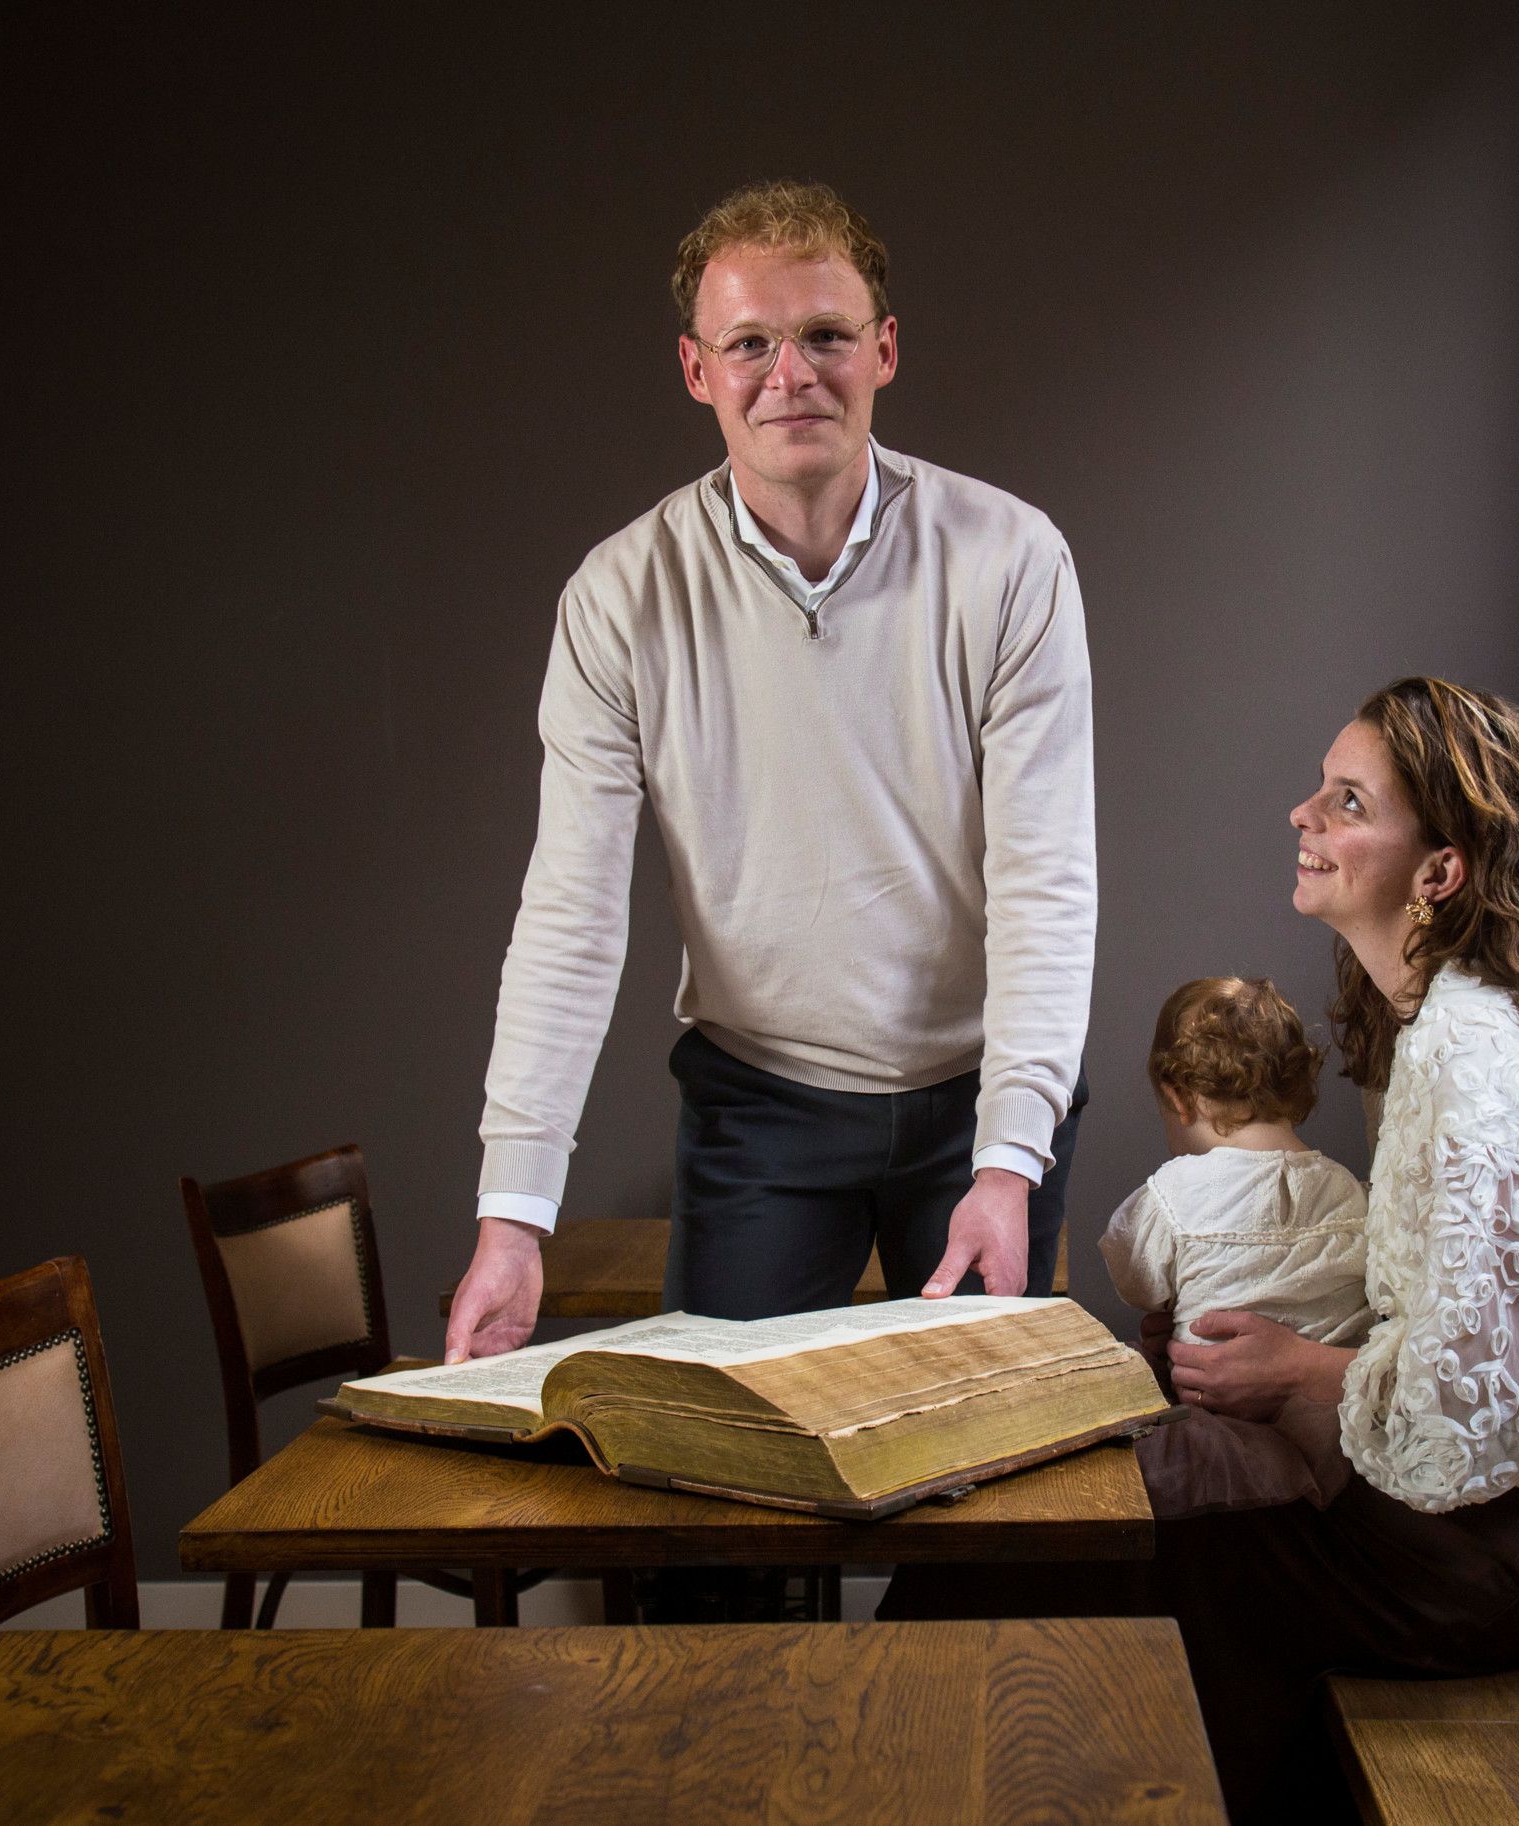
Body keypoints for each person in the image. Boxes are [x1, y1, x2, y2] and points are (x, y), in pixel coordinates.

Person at [884, 677, 1519, 1824]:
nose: (1300, 815)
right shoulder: (1452, 1022)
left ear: (1439, 871)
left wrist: (1297, 1373)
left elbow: (1504, 1398)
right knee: (1073, 1522)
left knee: (1073, 1548)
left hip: (1485, 1554)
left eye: (1345, 800)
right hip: (1494, 1518)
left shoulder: (1475, 1054)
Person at [445, 180, 1095, 1363]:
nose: (788, 373)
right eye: (749, 342)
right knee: (723, 1497)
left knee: (989, 1481)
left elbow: (1047, 881)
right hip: (762, 1106)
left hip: (977, 1097)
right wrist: (514, 1212)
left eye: (826, 336)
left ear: (883, 351)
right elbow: (571, 917)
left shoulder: (1010, 558)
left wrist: (1011, 1156)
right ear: (697, 369)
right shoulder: (618, 596)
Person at [1099, 976, 1371, 1350]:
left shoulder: (1174, 1195)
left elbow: (1136, 1283)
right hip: (1330, 1403)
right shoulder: (1351, 1195)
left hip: (1207, 1400)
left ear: (1177, 1096)